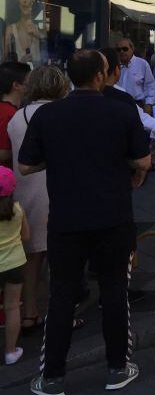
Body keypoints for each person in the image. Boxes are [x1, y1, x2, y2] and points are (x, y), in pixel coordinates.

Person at [20, 49, 150, 395]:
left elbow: (26, 167)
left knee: (61, 295)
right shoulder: (121, 111)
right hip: (114, 216)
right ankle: (117, 368)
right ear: (99, 75)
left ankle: (52, 378)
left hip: (66, 218)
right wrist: (132, 170)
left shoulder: (48, 115)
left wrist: (62, 158)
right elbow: (142, 158)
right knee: (114, 292)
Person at [6, 66, 78, 336]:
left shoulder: (17, 118)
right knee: (59, 258)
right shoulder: (65, 114)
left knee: (31, 258)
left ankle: (29, 313)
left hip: (25, 193)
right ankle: (60, 315)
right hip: (57, 190)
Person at [0, 166, 29, 366]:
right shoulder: (18, 210)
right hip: (15, 264)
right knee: (12, 308)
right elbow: (26, 236)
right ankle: (11, 352)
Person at [0, 62, 29, 169]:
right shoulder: (9, 114)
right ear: (16, 85)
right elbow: (3, 153)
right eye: (27, 81)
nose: (30, 84)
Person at [116, 38, 155, 113]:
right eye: (119, 50)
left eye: (125, 49)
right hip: (118, 104)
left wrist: (148, 104)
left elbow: (150, 85)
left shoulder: (142, 64)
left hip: (137, 106)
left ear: (132, 48)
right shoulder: (116, 66)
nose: (121, 52)